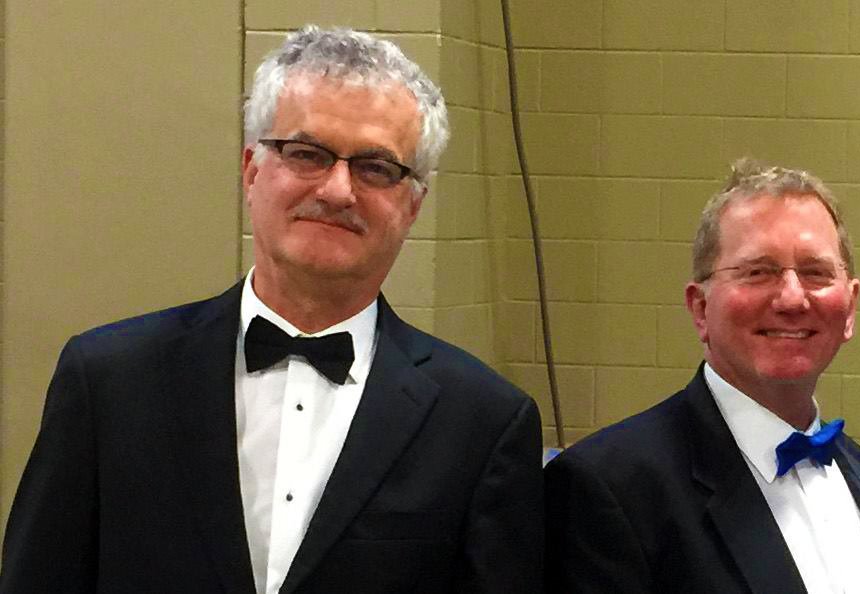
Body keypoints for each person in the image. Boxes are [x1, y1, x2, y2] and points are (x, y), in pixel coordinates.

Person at [0, 26, 541, 593]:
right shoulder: (108, 382)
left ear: (413, 204)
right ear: (252, 170)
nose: (337, 190)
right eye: (307, 154)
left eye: (376, 168)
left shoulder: (482, 422)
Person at [544, 159, 860, 593]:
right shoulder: (611, 490)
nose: (792, 298)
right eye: (757, 272)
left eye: (816, 272)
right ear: (700, 308)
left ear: (850, 308)